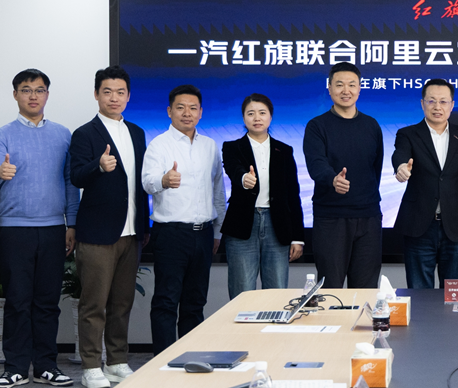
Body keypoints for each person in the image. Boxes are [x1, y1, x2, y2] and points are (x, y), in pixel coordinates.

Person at [0, 69, 76, 388]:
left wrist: (72, 223)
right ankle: (16, 368)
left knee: (47, 301)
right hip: (14, 229)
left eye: (39, 89)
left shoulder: (63, 134)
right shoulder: (3, 134)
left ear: (47, 94)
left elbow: (69, 182)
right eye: (26, 89)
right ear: (15, 95)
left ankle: (46, 366)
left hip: (53, 228)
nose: (33, 95)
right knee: (18, 300)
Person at [68, 65, 149, 388]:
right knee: (94, 305)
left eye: (120, 92)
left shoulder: (137, 133)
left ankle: (116, 362)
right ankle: (91, 366)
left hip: (132, 232)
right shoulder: (84, 134)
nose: (114, 98)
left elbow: (139, 183)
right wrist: (98, 166)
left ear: (128, 96)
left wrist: (144, 225)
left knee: (121, 303)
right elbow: (76, 176)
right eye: (107, 92)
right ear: (96, 94)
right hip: (98, 234)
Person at [143, 84, 225, 356]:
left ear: (201, 112)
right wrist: (164, 180)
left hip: (203, 234)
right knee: (166, 301)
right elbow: (147, 182)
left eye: (193, 108)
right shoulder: (159, 144)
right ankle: (164, 362)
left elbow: (218, 191)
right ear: (169, 111)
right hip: (171, 234)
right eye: (180, 108)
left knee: (195, 303)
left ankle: (191, 359)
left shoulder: (210, 146)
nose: (187, 113)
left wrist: (217, 232)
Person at [392, 79, 458, 289]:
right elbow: (400, 154)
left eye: (443, 101)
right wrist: (401, 167)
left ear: (452, 105)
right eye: (431, 101)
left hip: (457, 228)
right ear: (422, 103)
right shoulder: (407, 134)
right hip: (419, 227)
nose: (437, 107)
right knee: (419, 294)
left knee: (454, 295)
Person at [303, 62, 384, 288]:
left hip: (368, 217)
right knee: (330, 288)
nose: (345, 90)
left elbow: (375, 169)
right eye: (339, 85)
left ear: (359, 88)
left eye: (351, 85)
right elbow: (316, 164)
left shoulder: (371, 125)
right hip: (331, 218)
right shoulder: (317, 126)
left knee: (366, 289)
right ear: (329, 88)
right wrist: (333, 179)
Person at [220, 93, 305, 297]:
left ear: (270, 117)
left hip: (277, 225)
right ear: (243, 118)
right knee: (242, 292)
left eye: (262, 113)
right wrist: (244, 178)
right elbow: (233, 169)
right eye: (250, 113)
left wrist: (298, 237)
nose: (256, 118)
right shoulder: (232, 147)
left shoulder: (284, 150)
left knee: (276, 292)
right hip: (242, 224)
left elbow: (293, 194)